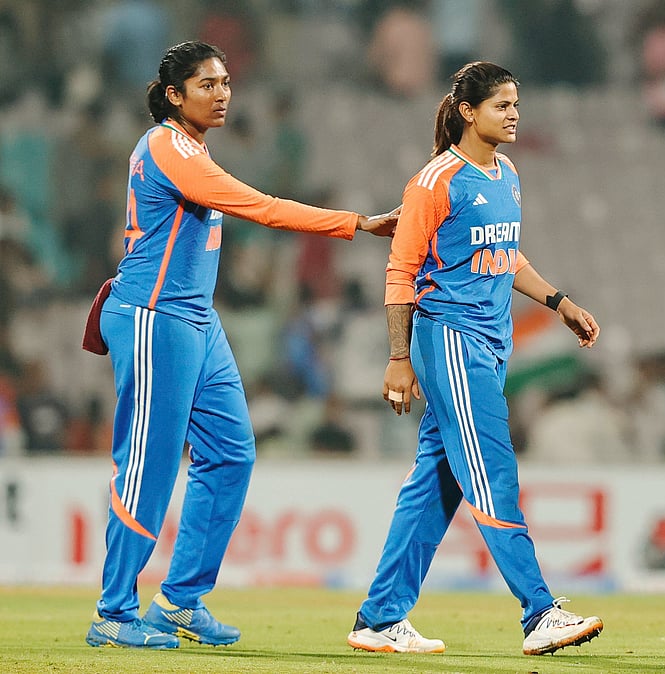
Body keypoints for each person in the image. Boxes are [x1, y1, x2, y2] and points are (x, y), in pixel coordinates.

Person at [83, 41, 398, 649]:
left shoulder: (193, 148)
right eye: (207, 84)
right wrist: (355, 222)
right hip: (154, 318)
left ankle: (178, 600)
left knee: (231, 454)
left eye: (226, 82)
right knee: (147, 467)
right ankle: (113, 612)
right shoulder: (164, 146)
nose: (222, 93)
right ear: (174, 95)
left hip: (197, 319)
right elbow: (262, 208)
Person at [348, 61, 603, 657]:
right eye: (502, 105)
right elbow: (401, 271)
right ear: (469, 111)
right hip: (451, 339)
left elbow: (504, 254)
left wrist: (558, 300)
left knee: (436, 483)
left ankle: (381, 617)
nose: (514, 114)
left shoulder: (506, 173)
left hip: (490, 342)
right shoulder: (436, 181)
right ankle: (539, 612)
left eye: (517, 104)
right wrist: (397, 357)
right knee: (492, 471)